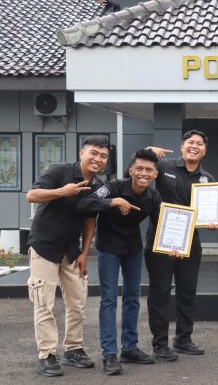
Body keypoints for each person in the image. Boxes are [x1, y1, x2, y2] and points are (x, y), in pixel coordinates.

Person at [26, 136, 111, 377]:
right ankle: (46, 355)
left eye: (103, 156)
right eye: (94, 153)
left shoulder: (98, 186)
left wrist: (85, 252)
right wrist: (62, 192)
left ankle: (73, 349)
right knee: (44, 303)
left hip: (72, 250)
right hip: (45, 246)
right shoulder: (59, 170)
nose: (98, 159)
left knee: (78, 301)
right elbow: (32, 195)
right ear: (82, 153)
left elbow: (90, 219)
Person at [77, 149, 162, 375]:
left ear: (155, 174)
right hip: (108, 248)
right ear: (131, 170)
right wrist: (112, 202)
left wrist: (173, 244)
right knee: (109, 299)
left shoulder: (153, 197)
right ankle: (109, 354)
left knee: (133, 297)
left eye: (149, 170)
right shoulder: (113, 187)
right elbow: (84, 204)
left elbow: (162, 225)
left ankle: (130, 348)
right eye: (139, 168)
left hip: (133, 248)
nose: (144, 173)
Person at [146, 130, 216, 361]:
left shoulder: (208, 179)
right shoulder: (163, 166)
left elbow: (211, 210)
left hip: (190, 241)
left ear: (204, 150)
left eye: (199, 144)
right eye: (190, 142)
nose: (194, 146)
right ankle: (160, 343)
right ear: (182, 146)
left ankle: (183, 339)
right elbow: (136, 171)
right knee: (160, 292)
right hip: (161, 238)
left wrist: (212, 220)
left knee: (187, 291)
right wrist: (148, 153)